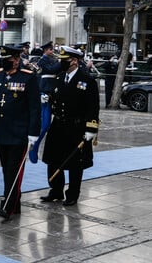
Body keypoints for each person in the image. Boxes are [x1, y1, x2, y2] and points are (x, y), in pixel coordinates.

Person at [41, 46, 100, 206]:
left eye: (64, 60)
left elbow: (93, 108)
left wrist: (91, 129)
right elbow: (56, 97)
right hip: (58, 125)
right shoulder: (59, 77)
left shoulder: (87, 81)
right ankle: (56, 191)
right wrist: (47, 99)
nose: (61, 63)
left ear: (74, 61)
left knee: (75, 162)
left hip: (76, 128)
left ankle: (73, 194)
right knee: (53, 160)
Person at [0, 45, 41, 221]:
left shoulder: (28, 77)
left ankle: (8, 206)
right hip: (2, 130)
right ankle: (15, 203)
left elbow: (35, 107)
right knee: (6, 169)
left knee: (14, 170)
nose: (12, 62)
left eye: (12, 59)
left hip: (20, 132)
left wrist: (34, 132)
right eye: (7, 59)